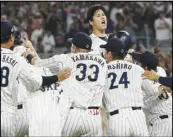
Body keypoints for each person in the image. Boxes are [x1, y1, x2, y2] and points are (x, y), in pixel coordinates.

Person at [22, 32, 108, 136]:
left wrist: (29, 55)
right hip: (94, 116)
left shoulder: (66, 59)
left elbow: (39, 64)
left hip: (72, 114)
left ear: (74, 47)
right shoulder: (102, 62)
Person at [1, 21, 71, 136]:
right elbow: (37, 81)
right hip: (8, 115)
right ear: (11, 38)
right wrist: (56, 77)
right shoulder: (17, 59)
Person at [100, 37, 149, 136]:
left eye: (105, 52)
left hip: (117, 118)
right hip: (137, 117)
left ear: (109, 54)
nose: (104, 54)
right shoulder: (138, 69)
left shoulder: (103, 70)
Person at [131, 51, 172, 136]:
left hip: (160, 125)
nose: (138, 64)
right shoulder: (161, 71)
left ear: (145, 67)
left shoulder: (144, 80)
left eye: (140, 63)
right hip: (167, 119)